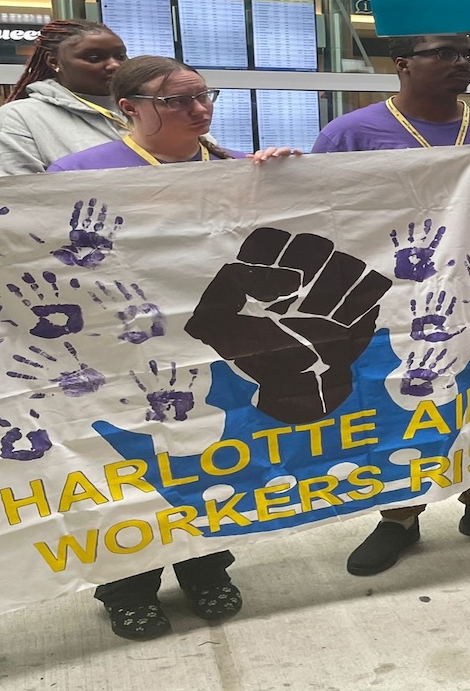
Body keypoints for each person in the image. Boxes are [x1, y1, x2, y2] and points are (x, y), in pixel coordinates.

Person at [48, 56, 298, 640]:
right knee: (128, 465)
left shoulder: (234, 167)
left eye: (204, 95)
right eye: (177, 100)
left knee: (206, 452)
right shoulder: (75, 172)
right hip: (118, 352)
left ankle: (205, 565)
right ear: (129, 108)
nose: (199, 109)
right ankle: (126, 585)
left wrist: (287, 176)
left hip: (212, 349)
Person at [312, 33, 470, 576]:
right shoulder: (352, 132)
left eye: (466, 55)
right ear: (403, 65)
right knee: (402, 398)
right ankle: (399, 515)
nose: (459, 64)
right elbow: (316, 207)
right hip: (393, 297)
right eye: (443, 54)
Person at [0, 20, 130, 176]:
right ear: (53, 61)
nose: (114, 65)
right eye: (94, 58)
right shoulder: (16, 118)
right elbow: (17, 194)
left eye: (120, 56)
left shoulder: (145, 107)